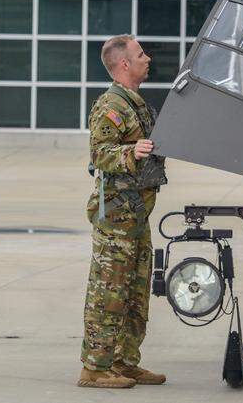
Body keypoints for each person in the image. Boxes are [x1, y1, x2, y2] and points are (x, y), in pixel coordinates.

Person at [79, 35, 168, 388]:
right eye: (141, 53)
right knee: (108, 292)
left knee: (134, 293)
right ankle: (94, 367)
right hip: (116, 218)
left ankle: (125, 361)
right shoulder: (110, 105)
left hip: (137, 216)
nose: (148, 58)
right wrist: (133, 152)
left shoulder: (137, 104)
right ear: (124, 64)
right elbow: (99, 154)